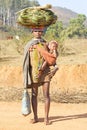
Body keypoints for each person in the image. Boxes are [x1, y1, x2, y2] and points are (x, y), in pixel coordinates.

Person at [23, 27, 58, 125]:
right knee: (34, 95)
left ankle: (46, 118)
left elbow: (51, 57)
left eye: (40, 31)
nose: (38, 33)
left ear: (42, 32)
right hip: (34, 73)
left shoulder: (46, 44)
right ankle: (35, 117)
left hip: (45, 72)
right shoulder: (29, 45)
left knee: (46, 95)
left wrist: (43, 67)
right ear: (32, 32)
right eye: (36, 31)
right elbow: (26, 61)